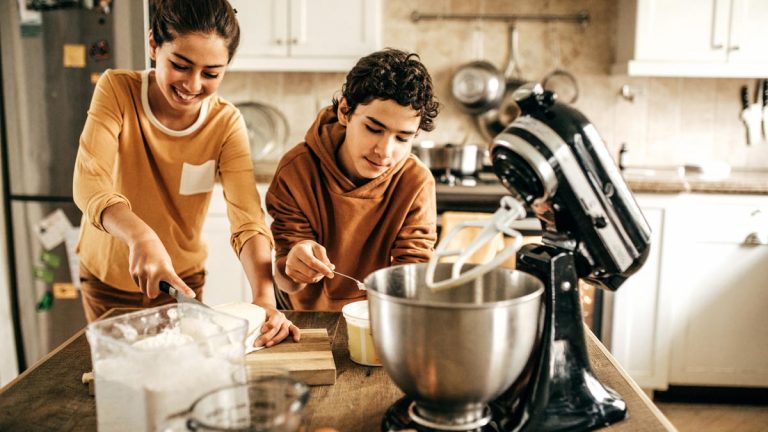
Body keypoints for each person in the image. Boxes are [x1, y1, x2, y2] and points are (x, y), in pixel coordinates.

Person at [73, 0, 299, 347]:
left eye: (211, 73)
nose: (193, 85)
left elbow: (247, 218)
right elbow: (90, 180)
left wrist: (264, 299)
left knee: (180, 380)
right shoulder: (118, 90)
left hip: (180, 282)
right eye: (180, 65)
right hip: (108, 282)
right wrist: (141, 238)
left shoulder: (226, 124)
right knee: (121, 381)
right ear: (153, 45)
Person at [266, 48, 440, 311]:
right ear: (345, 111)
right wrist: (294, 264)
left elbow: (412, 277)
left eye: (403, 138)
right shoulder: (297, 169)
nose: (384, 151)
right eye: (373, 129)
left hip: (377, 316)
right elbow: (285, 278)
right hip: (302, 315)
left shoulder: (416, 183)